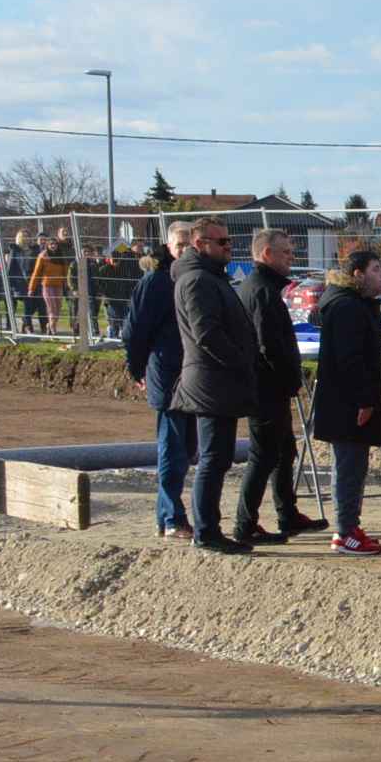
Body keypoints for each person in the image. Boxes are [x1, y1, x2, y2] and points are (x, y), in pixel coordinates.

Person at [166, 218, 258, 555]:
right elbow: (206, 334)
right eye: (222, 243)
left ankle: (209, 528)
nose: (228, 247)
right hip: (211, 382)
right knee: (212, 459)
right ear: (201, 243)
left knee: (216, 459)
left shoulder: (207, 278)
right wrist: (239, 360)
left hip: (218, 381)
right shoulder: (196, 281)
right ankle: (206, 531)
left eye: (229, 241)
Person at [232, 229, 316, 544]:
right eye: (285, 253)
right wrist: (288, 377)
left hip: (271, 384)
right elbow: (268, 343)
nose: (290, 259)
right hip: (266, 386)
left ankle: (287, 513)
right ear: (267, 254)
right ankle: (245, 524)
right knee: (264, 454)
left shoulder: (263, 287)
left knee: (284, 451)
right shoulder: (260, 291)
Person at [309, 248, 381, 557]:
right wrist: (364, 399)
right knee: (349, 466)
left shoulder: (354, 304)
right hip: (348, 404)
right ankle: (345, 532)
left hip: (349, 401)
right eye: (375, 269)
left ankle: (350, 527)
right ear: (357, 274)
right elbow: (350, 359)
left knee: (354, 466)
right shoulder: (346, 307)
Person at [120, 220, 193, 540]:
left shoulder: (193, 279)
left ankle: (173, 515)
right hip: (166, 373)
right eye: (181, 246)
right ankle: (170, 517)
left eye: (191, 246)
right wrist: (137, 370)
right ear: (169, 246)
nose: (186, 251)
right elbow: (135, 330)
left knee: (188, 448)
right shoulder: (157, 282)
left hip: (193, 374)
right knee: (173, 449)